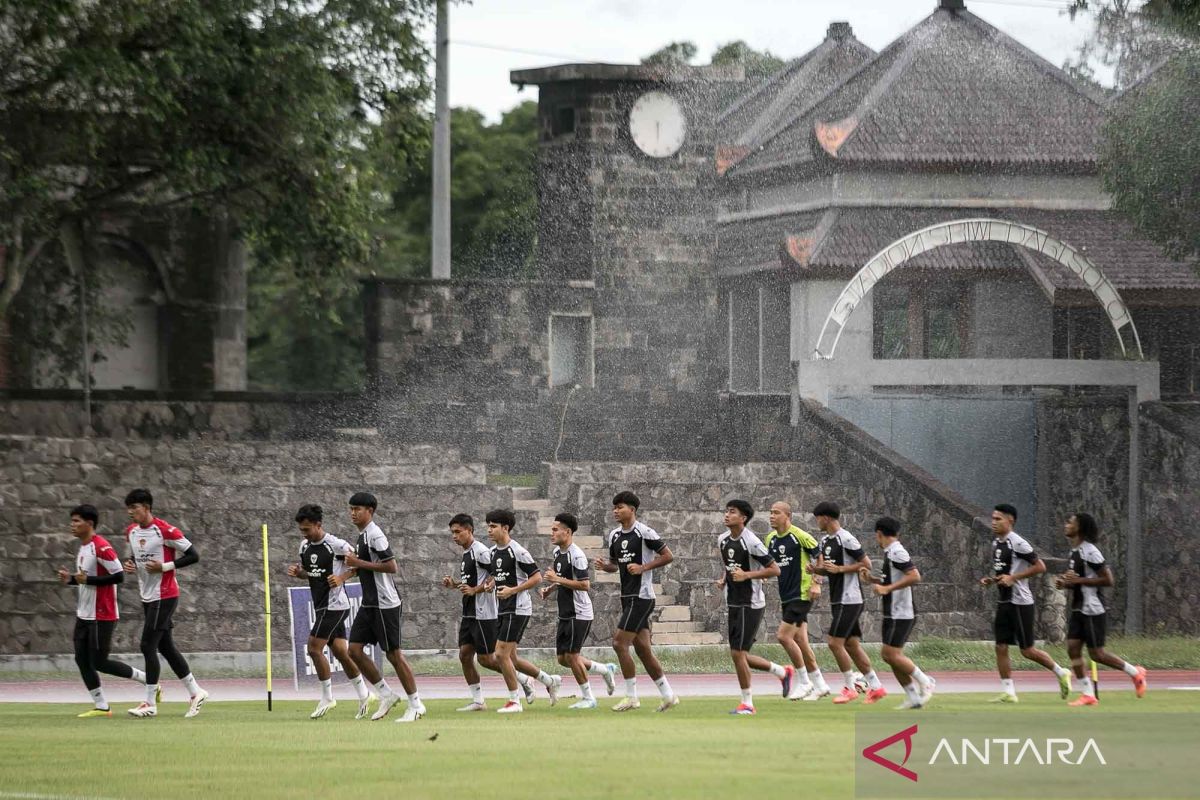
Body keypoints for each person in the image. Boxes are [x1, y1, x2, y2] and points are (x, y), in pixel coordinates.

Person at [121, 488, 208, 718]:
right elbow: (138, 556)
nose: (131, 512)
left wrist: (165, 567)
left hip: (166, 595)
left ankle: (149, 702)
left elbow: (194, 555)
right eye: (128, 508)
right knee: (165, 647)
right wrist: (130, 564)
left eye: (134, 508)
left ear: (147, 507)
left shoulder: (165, 530)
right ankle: (196, 692)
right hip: (147, 596)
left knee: (146, 645)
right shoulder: (131, 531)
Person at [343, 492, 426, 723]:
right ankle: (387, 695)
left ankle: (416, 705)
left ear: (370, 511)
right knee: (354, 650)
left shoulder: (375, 534)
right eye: (351, 508)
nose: (353, 513)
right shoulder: (362, 536)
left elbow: (391, 566)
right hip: (369, 603)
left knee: (394, 655)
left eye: (357, 509)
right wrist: (349, 571)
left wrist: (358, 562)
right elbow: (366, 567)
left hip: (384, 603)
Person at [594, 491, 679, 712]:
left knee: (619, 643)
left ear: (632, 510)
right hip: (627, 597)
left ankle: (631, 697)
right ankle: (668, 695)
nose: (615, 511)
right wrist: (606, 567)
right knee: (642, 650)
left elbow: (668, 555)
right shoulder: (614, 535)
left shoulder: (644, 532)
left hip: (642, 597)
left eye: (620, 507)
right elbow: (616, 564)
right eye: (614, 507)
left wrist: (643, 567)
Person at [58, 504, 146, 717]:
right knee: (81, 659)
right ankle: (102, 706)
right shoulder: (83, 547)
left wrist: (87, 579)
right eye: (72, 521)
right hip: (84, 614)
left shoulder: (102, 547)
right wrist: (71, 580)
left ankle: (147, 679)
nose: (72, 525)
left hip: (102, 614)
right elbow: (85, 580)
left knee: (100, 662)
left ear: (89, 523)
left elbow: (118, 576)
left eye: (76, 521)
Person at [286, 504, 372, 719]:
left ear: (318, 525)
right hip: (321, 605)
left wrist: (342, 577)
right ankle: (364, 694)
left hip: (335, 605)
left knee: (314, 649)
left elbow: (362, 565)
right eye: (301, 531)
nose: (304, 534)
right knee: (342, 653)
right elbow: (313, 574)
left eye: (307, 529)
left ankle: (327, 697)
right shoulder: (304, 547)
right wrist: (300, 574)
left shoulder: (337, 545)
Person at [980, 503, 1072, 703]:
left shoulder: (1018, 543)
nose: (993, 522)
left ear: (1010, 520)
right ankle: (1009, 692)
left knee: (1027, 650)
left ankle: (1061, 671)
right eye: (993, 519)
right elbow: (1005, 573)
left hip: (1020, 602)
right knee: (1001, 646)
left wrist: (1014, 578)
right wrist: (992, 580)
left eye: (998, 519)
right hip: (1004, 601)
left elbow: (1040, 566)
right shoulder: (997, 544)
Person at [1054, 512, 1147, 705]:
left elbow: (1108, 579)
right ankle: (1088, 694)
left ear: (1079, 527)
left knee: (1098, 654)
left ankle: (1135, 672)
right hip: (1078, 608)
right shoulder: (1074, 552)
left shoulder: (1091, 551)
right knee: (1072, 649)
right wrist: (1065, 583)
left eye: (1070, 522)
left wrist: (1078, 580)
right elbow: (1076, 580)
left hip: (1092, 609)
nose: (1066, 525)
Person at [539, 512, 618, 710]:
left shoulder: (577, 555)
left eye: (555, 530)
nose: (552, 533)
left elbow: (585, 585)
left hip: (579, 613)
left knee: (573, 656)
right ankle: (604, 669)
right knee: (563, 659)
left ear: (567, 532)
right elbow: (564, 578)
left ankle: (589, 698)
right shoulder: (558, 553)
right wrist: (550, 588)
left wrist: (556, 580)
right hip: (565, 612)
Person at [810, 501, 886, 705]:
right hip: (838, 600)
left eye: (817, 518)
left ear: (825, 518)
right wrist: (815, 570)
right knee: (851, 645)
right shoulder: (825, 540)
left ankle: (850, 687)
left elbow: (866, 564)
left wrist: (840, 569)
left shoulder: (847, 539)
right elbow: (830, 568)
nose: (816, 522)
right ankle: (876, 687)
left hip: (850, 599)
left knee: (834, 642)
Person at [487, 508, 560, 713]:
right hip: (503, 607)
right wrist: (491, 584)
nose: (489, 530)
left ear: (505, 528)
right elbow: (501, 575)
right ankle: (549, 680)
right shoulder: (493, 552)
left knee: (500, 655)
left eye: (493, 526)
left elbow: (536, 577)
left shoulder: (517, 550)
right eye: (488, 526)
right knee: (512, 659)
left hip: (518, 608)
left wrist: (513, 590)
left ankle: (514, 701)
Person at [716, 500, 784, 715]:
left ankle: (748, 704)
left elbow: (774, 570)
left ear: (743, 518)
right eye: (726, 511)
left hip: (750, 603)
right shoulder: (723, 540)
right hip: (733, 601)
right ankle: (782, 672)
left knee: (738, 654)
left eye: (732, 512)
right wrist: (724, 579)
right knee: (739, 654)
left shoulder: (752, 542)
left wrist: (747, 575)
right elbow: (730, 566)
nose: (727, 515)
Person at [859, 517, 935, 709]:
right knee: (888, 656)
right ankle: (913, 698)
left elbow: (914, 576)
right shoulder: (890, 552)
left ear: (878, 534)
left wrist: (887, 589)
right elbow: (891, 580)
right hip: (891, 612)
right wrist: (873, 580)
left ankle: (925, 681)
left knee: (892, 655)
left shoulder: (897, 552)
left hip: (902, 612)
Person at [764, 501, 831, 700]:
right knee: (801, 640)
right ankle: (821, 685)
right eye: (770, 513)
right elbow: (771, 563)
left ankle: (804, 682)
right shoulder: (770, 539)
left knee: (784, 637)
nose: (771, 516)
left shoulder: (800, 536)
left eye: (776, 513)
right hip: (786, 594)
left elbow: (820, 558)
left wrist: (817, 582)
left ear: (788, 516)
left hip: (802, 593)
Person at [441, 513, 501, 711]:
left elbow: (496, 576)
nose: (454, 536)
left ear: (470, 530)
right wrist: (455, 584)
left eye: (458, 532)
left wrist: (476, 590)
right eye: (452, 533)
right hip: (469, 613)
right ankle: (478, 701)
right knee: (465, 655)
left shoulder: (481, 551)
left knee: (487, 659)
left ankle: (522, 677)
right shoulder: (467, 553)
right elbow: (472, 581)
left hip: (484, 613)